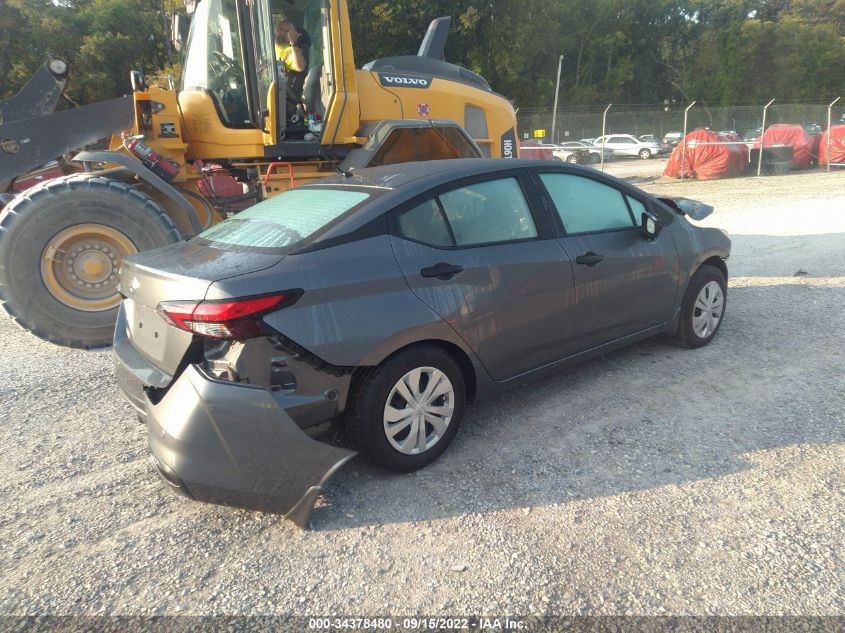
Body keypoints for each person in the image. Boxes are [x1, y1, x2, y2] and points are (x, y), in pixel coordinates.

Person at [275, 19, 310, 117]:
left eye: (287, 32)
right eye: (281, 29)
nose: (283, 33)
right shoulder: (269, 47)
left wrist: (293, 42)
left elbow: (300, 66)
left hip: (277, 96)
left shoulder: (291, 51)